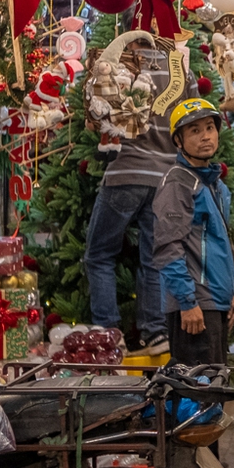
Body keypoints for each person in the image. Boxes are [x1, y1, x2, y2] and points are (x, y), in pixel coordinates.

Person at [84, 50, 186, 354]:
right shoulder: (181, 69)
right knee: (154, 258)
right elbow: (191, 121)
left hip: (126, 171)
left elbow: (97, 119)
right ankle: (155, 333)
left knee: (99, 254)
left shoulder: (117, 65)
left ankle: (108, 334)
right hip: (166, 176)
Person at [151, 98, 234, 367]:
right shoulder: (178, 183)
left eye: (209, 128)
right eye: (194, 131)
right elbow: (168, 248)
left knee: (213, 391)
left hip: (216, 302)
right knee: (197, 398)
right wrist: (186, 302)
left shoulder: (213, 184)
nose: (205, 136)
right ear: (178, 141)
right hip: (194, 307)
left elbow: (223, 241)